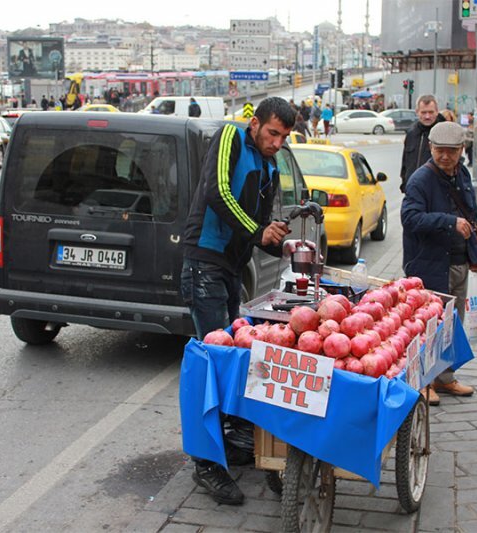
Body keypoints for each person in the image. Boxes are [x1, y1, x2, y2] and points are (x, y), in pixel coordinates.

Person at [180, 97, 295, 505]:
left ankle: (230, 444)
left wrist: (282, 240)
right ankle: (205, 465)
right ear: (254, 124)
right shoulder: (230, 136)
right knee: (210, 363)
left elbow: (263, 226)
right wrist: (258, 231)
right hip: (205, 262)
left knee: (233, 360)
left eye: (283, 136)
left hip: (231, 270)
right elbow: (217, 191)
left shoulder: (270, 165)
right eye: (272, 133)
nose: (277, 142)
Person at [401, 121, 477, 406]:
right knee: (428, 325)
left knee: (452, 323)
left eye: (452, 151)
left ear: (461, 150)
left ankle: (445, 377)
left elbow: (470, 212)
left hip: (457, 263)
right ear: (431, 148)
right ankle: (422, 382)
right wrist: (449, 223)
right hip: (429, 264)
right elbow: (410, 219)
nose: (445, 156)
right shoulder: (421, 179)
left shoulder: (462, 174)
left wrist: (473, 253)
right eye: (439, 150)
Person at [399, 94, 445, 193]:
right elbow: (405, 162)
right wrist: (405, 184)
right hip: (413, 190)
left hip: (436, 192)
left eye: (431, 112)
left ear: (437, 112)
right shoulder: (411, 132)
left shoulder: (444, 132)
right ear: (417, 112)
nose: (427, 116)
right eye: (423, 112)